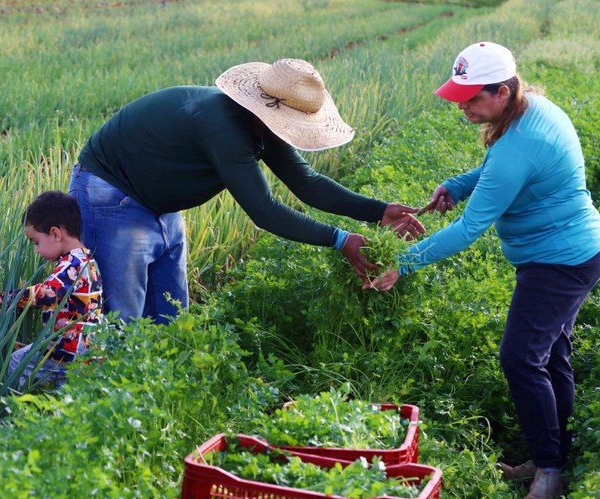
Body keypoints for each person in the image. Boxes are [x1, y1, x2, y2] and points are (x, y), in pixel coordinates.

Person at [366, 42, 600, 499]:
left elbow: (469, 229)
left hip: (559, 263)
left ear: (502, 91)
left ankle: (550, 473)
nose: (463, 105)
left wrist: (404, 263)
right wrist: (458, 185)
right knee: (550, 353)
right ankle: (550, 459)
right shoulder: (530, 110)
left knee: (521, 359)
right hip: (573, 253)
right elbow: (498, 169)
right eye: (459, 95)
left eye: (472, 97)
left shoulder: (521, 142)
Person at [68, 58, 424, 324]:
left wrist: (377, 211)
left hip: (158, 203)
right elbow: (264, 210)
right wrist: (340, 239)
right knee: (120, 321)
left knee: (172, 317)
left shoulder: (260, 126)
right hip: (112, 196)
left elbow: (307, 184)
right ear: (265, 107)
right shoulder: (220, 125)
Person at [0, 191, 103, 390]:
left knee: (17, 362)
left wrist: (8, 299)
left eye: (36, 242)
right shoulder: (88, 260)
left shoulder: (71, 265)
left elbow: (46, 292)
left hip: (68, 348)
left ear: (55, 234)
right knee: (69, 395)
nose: (36, 250)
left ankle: (11, 412)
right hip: (88, 346)